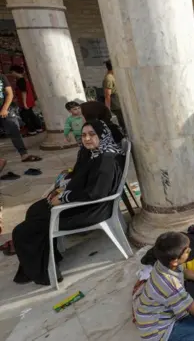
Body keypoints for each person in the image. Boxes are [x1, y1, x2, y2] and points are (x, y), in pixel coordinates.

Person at [12, 120, 125, 285]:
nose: (87, 139)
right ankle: (49, 257)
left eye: (92, 134)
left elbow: (97, 193)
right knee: (35, 210)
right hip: (86, 204)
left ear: (103, 135)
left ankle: (46, 272)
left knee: (22, 232)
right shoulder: (97, 154)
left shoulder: (106, 159)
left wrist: (65, 198)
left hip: (91, 210)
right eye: (84, 135)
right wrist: (63, 189)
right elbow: (86, 181)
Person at [0, 72, 41, 173]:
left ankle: (24, 155)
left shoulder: (1, 77)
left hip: (6, 110)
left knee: (14, 132)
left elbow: (9, 93)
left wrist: (4, 109)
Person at [9, 65, 42, 135]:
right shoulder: (24, 79)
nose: (11, 74)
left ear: (15, 71)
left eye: (12, 72)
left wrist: (24, 104)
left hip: (25, 102)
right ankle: (38, 128)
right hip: (29, 101)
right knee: (31, 115)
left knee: (25, 117)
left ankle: (32, 130)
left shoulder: (20, 81)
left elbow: (24, 92)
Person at [103, 60, 125, 131]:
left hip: (120, 103)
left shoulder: (112, 75)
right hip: (116, 104)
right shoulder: (109, 78)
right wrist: (107, 109)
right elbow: (107, 95)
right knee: (123, 122)